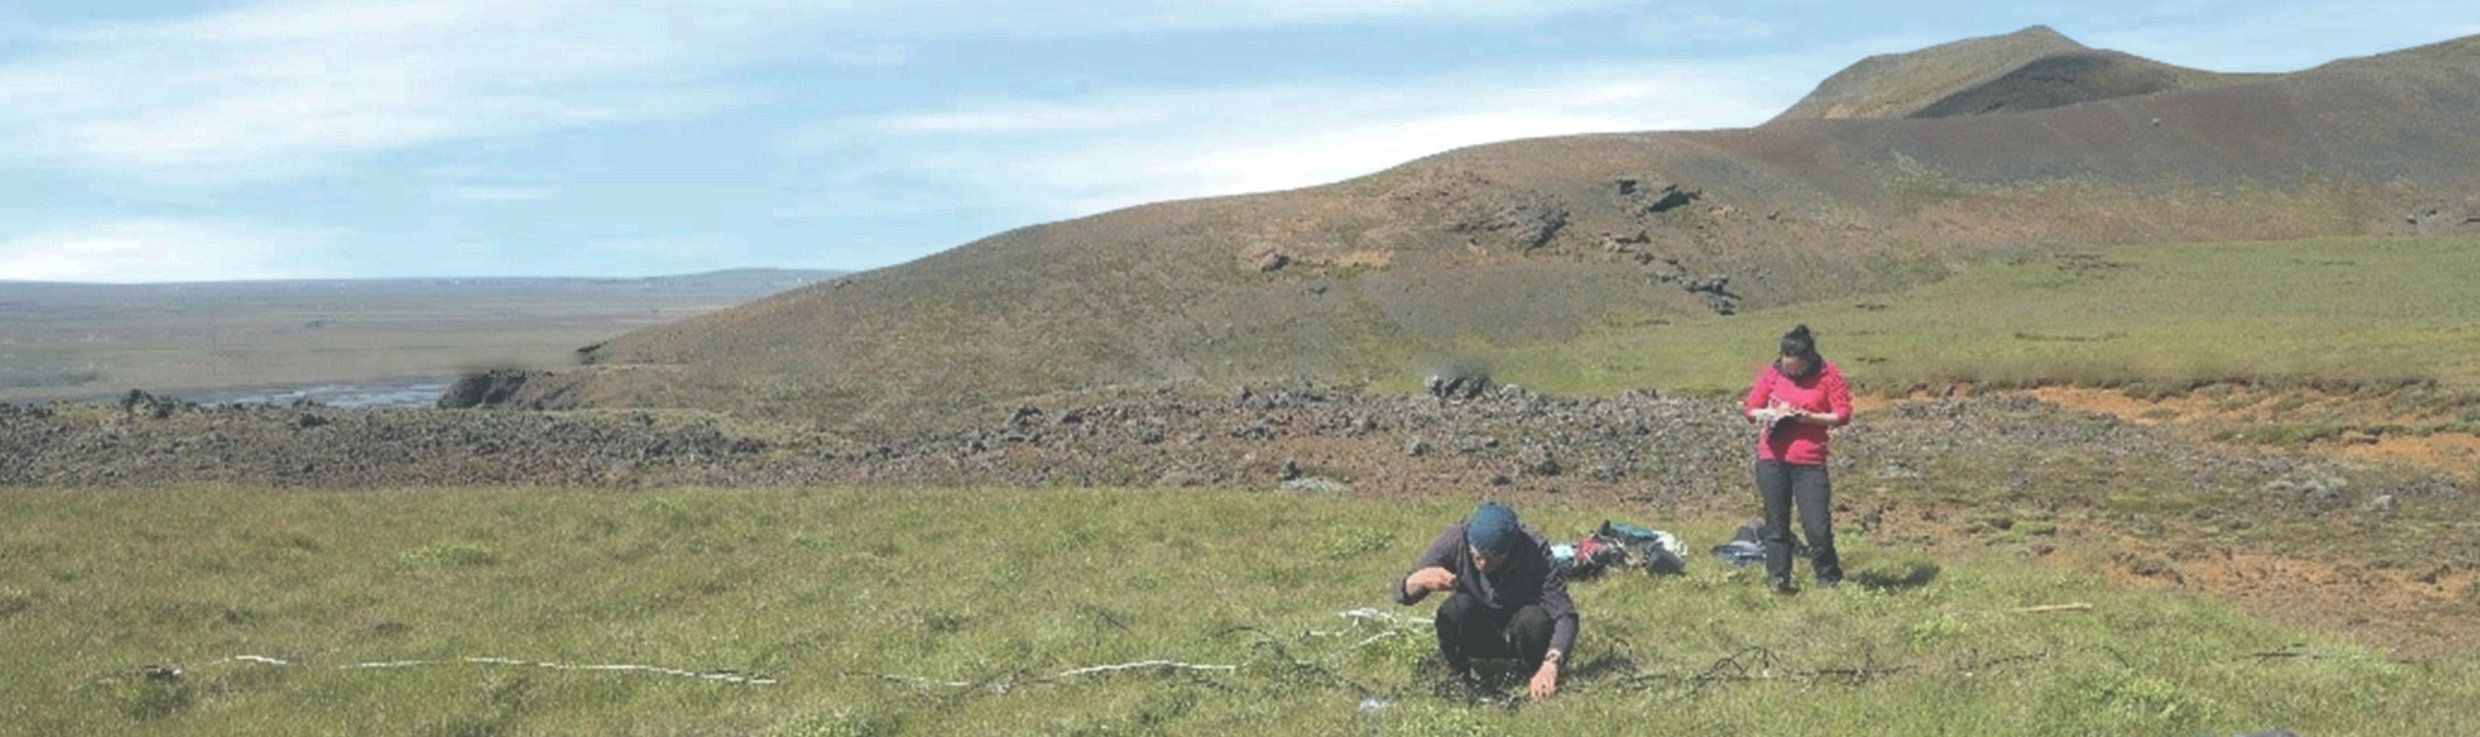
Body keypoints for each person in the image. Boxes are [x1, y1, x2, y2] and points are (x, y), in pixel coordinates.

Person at [1395, 501, 1577, 701]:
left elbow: (1565, 615)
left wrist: (1551, 665)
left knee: (1534, 619)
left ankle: (1532, 674)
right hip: (1475, 629)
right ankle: (1458, 675)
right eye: (1476, 556)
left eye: (1492, 558)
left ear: (1510, 551)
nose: (1482, 563)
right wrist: (1418, 580)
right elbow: (1401, 594)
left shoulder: (1535, 550)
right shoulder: (1454, 540)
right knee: (1455, 608)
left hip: (1519, 633)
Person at [1742, 324, 1854, 594]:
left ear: (1807, 361)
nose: (1789, 371)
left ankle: (1829, 578)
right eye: (1786, 366)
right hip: (1772, 457)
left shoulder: (1828, 374)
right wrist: (1769, 413)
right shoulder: (1772, 373)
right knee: (1776, 523)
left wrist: (1809, 418)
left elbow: (1842, 414)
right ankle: (1779, 579)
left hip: (1809, 461)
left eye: (1795, 368)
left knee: (1817, 526)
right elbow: (1750, 409)